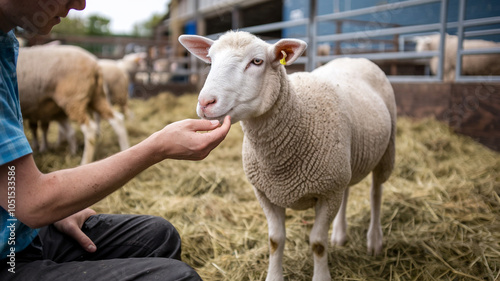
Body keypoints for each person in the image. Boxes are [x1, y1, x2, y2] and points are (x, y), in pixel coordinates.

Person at [0, 0, 231, 280]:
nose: (81, 4)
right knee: (177, 277)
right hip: (7, 260)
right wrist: (157, 146)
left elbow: (14, 187)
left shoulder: (7, 42)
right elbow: (31, 201)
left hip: (16, 232)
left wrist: (51, 213)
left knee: (160, 235)